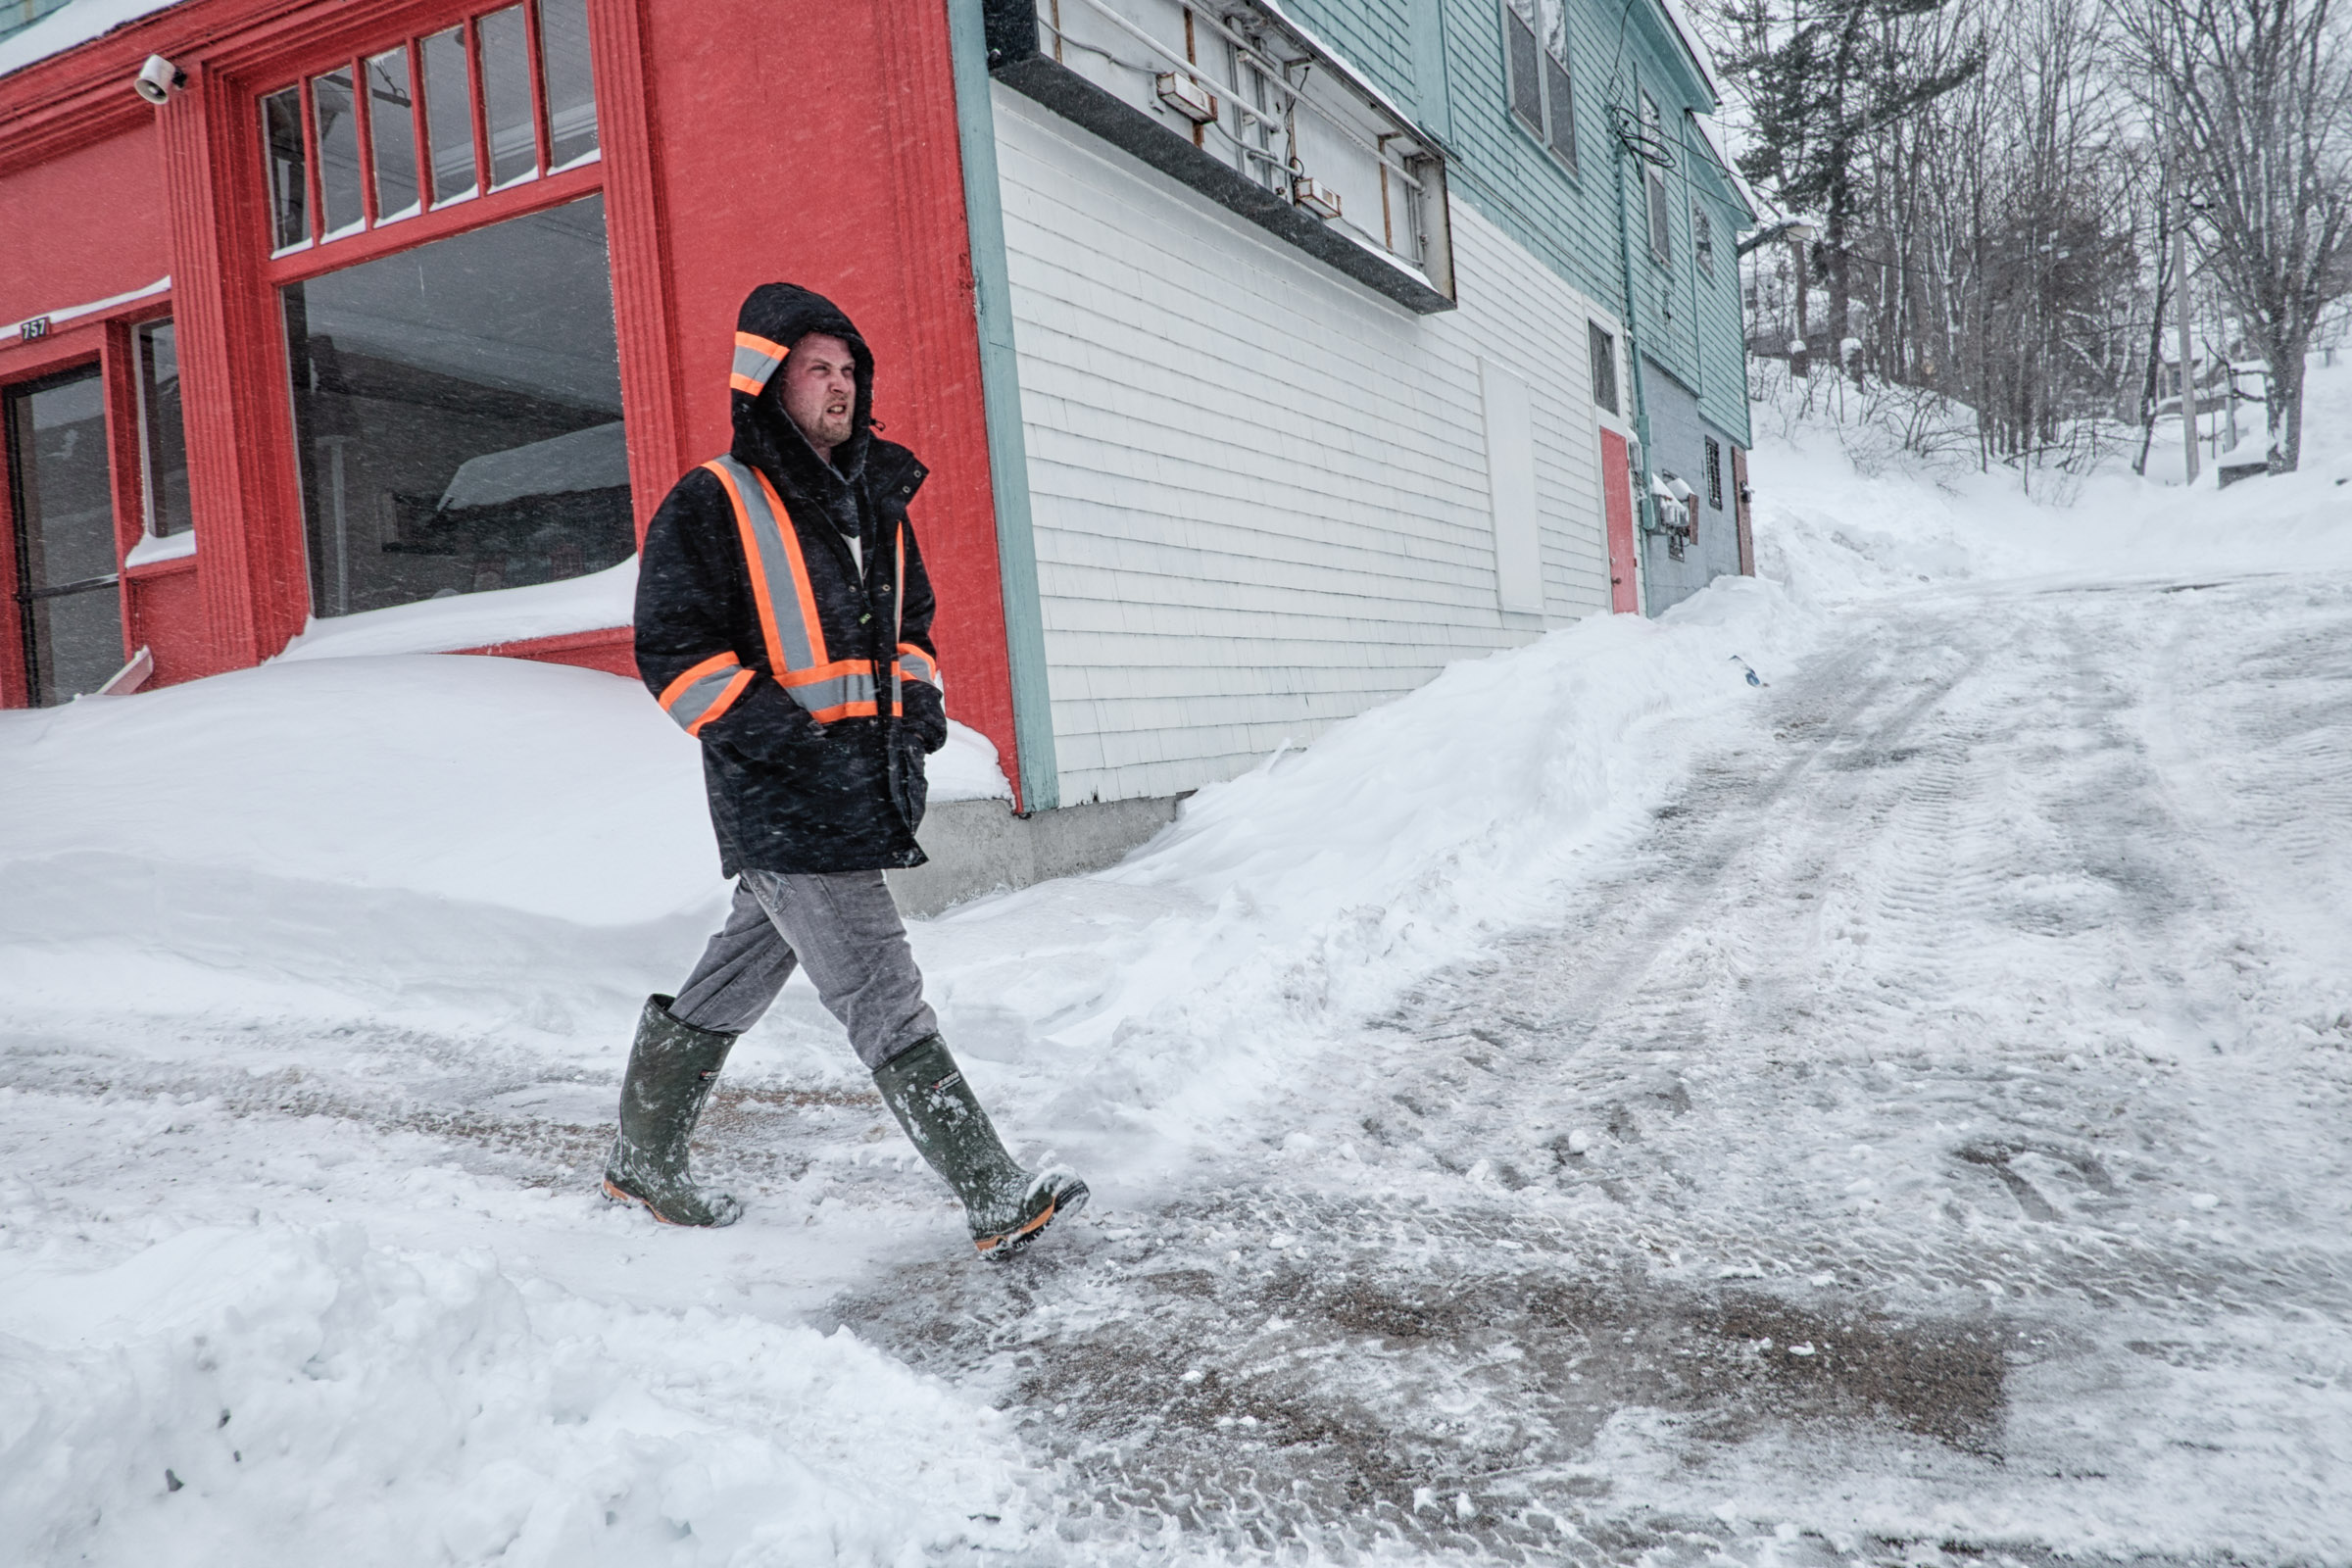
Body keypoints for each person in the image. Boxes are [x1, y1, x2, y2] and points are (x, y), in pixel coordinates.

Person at [604, 281, 1085, 1259]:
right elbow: (674, 650)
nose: (839, 385)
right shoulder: (716, 501)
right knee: (880, 985)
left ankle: (642, 1157)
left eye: (849, 369)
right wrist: (786, 739)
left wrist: (916, 698)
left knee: (738, 971)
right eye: (816, 368)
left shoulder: (874, 502)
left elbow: (910, 627)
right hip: (783, 797)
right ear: (768, 384)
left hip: (857, 790)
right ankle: (994, 1194)